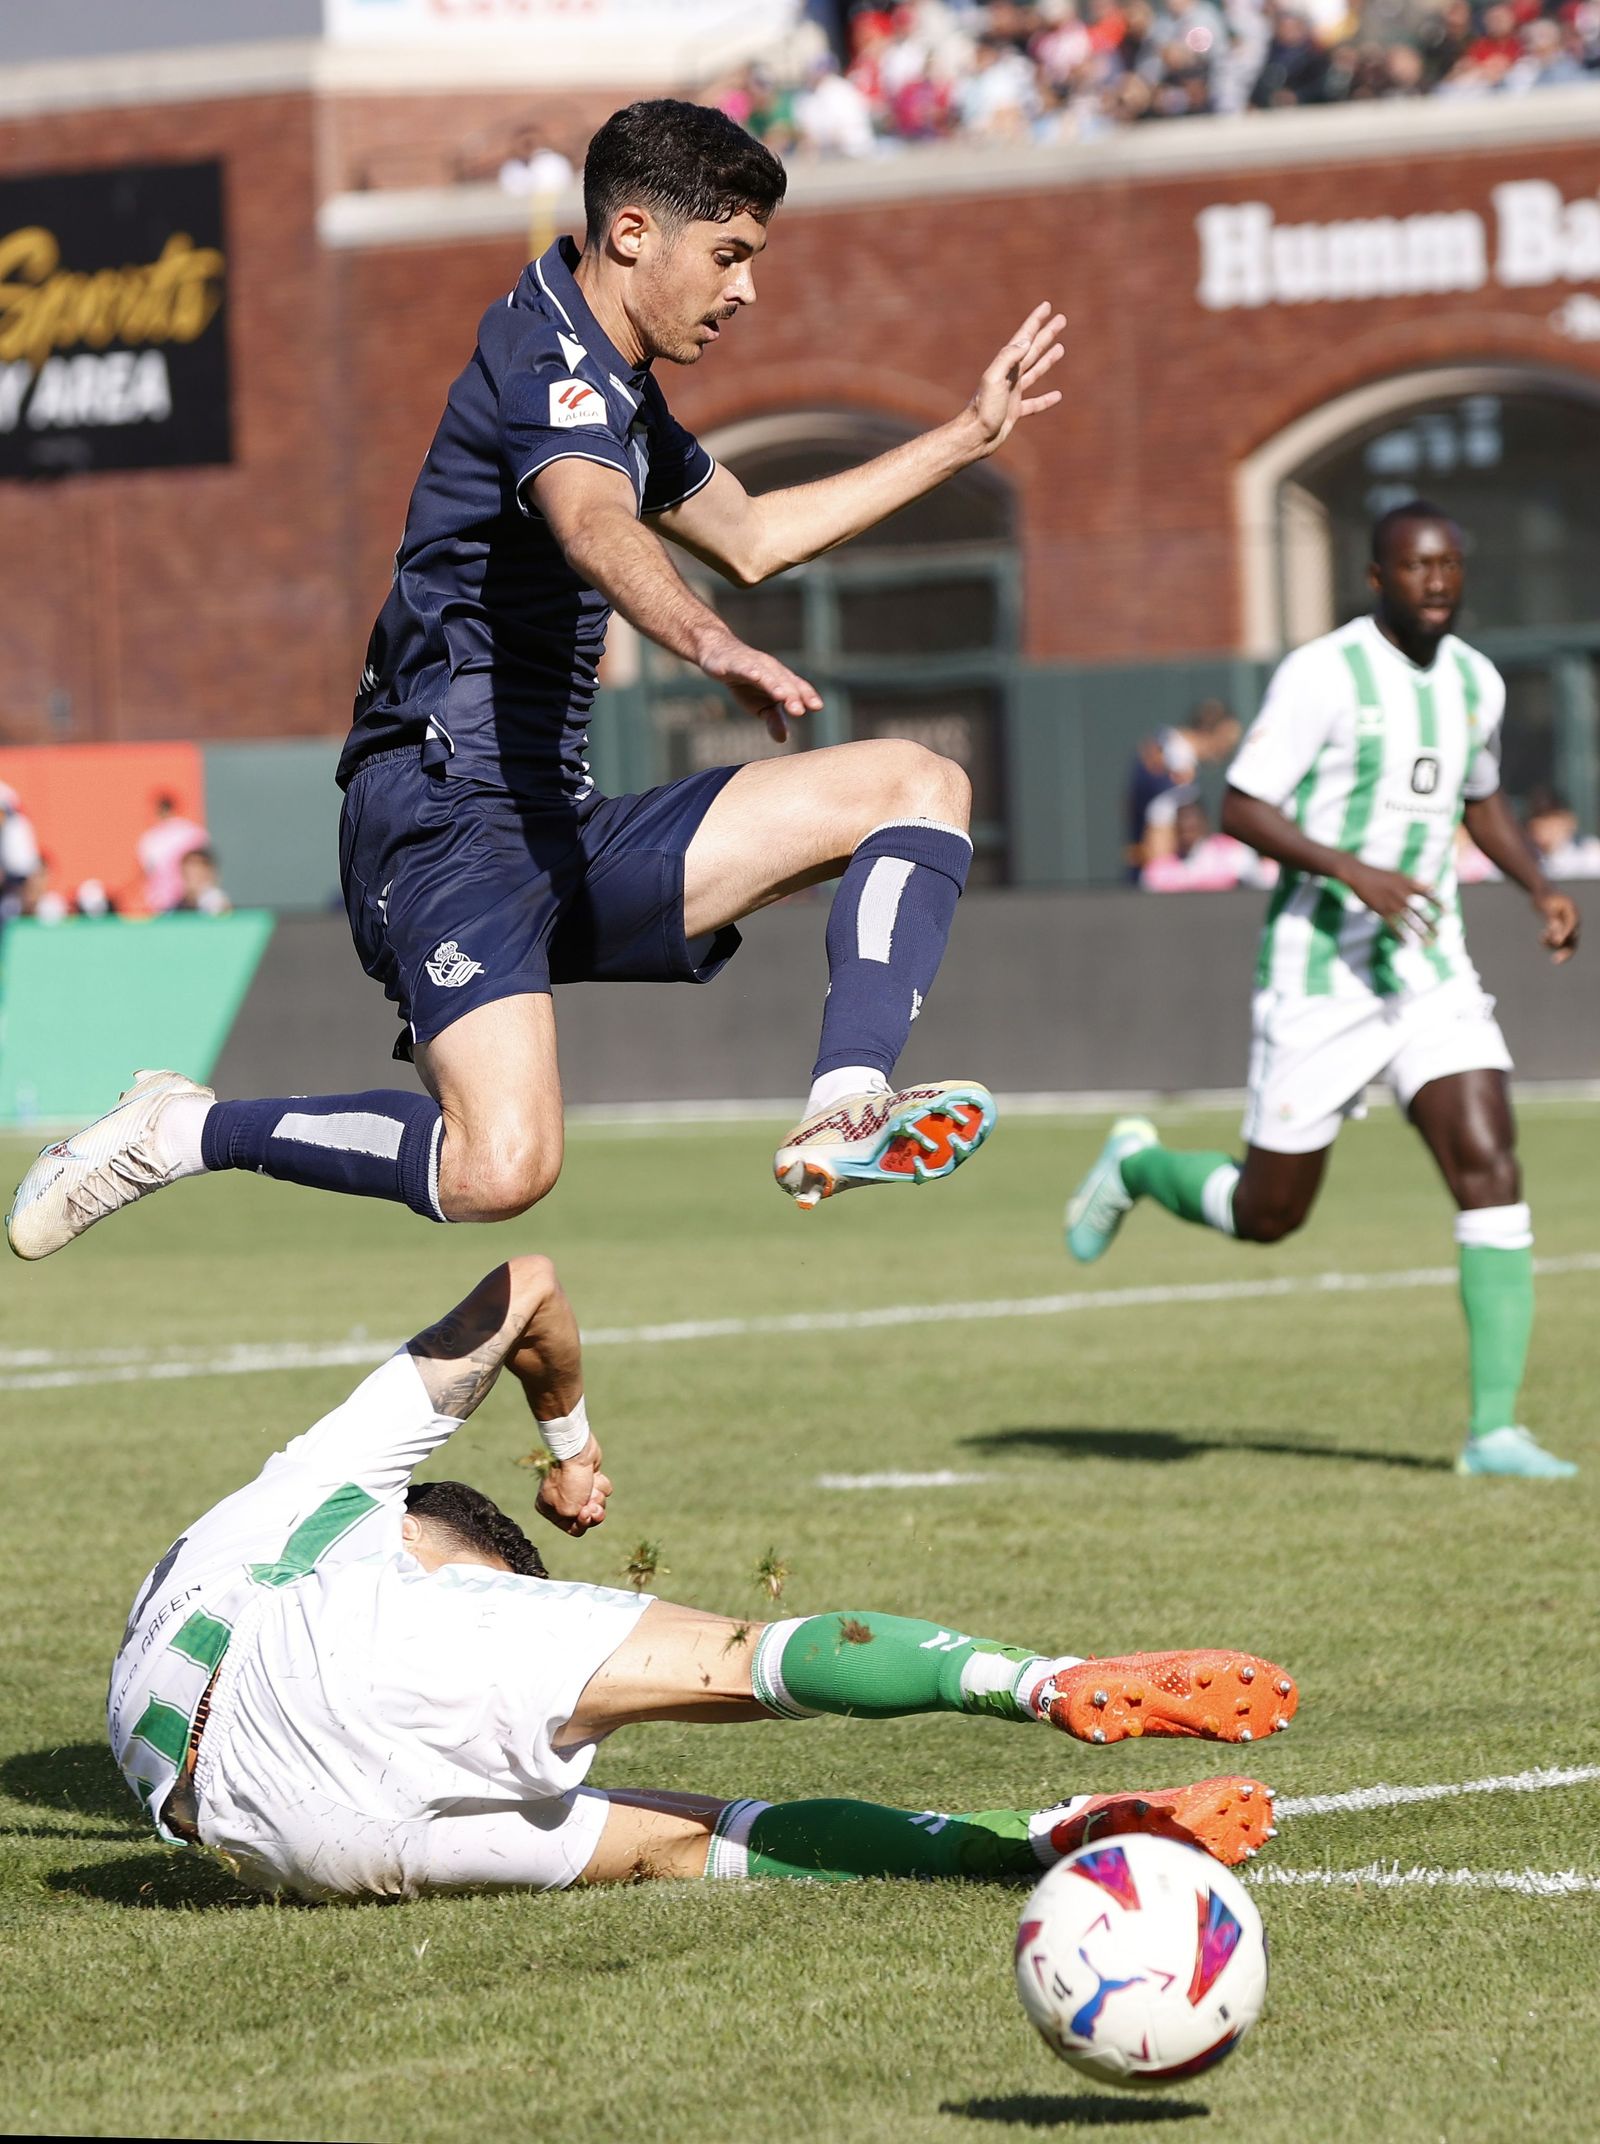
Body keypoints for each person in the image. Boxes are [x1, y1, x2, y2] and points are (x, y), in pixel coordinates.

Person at [9, 100, 1065, 1263]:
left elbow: (757, 532)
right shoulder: (544, 353)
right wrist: (705, 640)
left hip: (549, 821)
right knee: (500, 1169)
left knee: (917, 783)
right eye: (730, 256)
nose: (746, 291)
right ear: (630, 235)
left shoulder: (622, 388)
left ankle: (845, 1100)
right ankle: (181, 1130)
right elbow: (590, 522)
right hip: (440, 811)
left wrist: (966, 434)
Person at [110, 1254, 1296, 1902]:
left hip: (264, 1831)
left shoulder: (266, 1508)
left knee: (698, 1846)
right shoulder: (354, 1485)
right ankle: (1046, 1681)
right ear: (438, 1538)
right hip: (313, 1656)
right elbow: (524, 1281)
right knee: (741, 1659)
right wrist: (571, 1452)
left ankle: (1034, 1839)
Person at [1066, 500, 1581, 1480]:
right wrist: (1354, 870)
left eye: (1447, 564)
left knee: (1490, 1159)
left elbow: (1481, 800)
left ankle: (1493, 1432)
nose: (1435, 579)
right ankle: (1136, 1168)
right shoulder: (1324, 673)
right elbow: (1242, 807)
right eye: (1413, 565)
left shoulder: (1476, 679)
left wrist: (1539, 886)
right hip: (1319, 975)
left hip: (1430, 968)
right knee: (1269, 1213)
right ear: (1377, 578)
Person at [137, 792, 210, 915]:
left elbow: (149, 870)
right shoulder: (192, 831)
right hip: (188, 898)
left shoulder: (152, 839)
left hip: (167, 900)